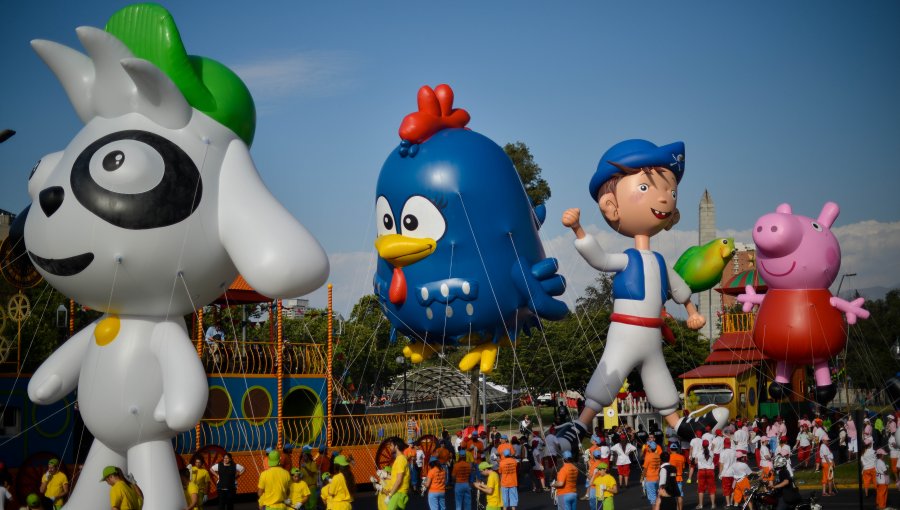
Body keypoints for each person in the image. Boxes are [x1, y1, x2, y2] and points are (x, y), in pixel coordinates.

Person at [556, 140, 729, 455]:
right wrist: (579, 231)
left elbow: (677, 288)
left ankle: (680, 425)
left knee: (660, 379)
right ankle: (580, 425)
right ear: (611, 204)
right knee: (608, 375)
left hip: (652, 336)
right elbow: (600, 259)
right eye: (648, 188)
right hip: (626, 330)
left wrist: (691, 310)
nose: (665, 197)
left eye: (671, 192)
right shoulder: (627, 259)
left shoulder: (660, 263)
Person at [383, 439, 411, 510]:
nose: (390, 447)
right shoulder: (401, 459)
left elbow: (399, 480)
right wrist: (385, 475)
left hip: (398, 493)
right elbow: (396, 477)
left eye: (391, 445)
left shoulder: (400, 460)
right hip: (399, 492)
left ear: (396, 446)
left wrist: (390, 495)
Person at [696, 439, 716, 509]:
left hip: (701, 471)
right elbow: (712, 459)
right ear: (708, 445)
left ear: (702, 445)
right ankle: (713, 504)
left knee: (701, 489)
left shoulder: (699, 452)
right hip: (710, 470)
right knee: (711, 488)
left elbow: (695, 461)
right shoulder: (711, 452)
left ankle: (701, 505)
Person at [642, 439, 662, 507]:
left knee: (653, 500)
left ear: (650, 448)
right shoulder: (658, 456)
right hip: (657, 478)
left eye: (649, 447)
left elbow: (645, 469)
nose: (648, 448)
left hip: (650, 479)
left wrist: (642, 477)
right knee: (657, 497)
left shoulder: (648, 456)